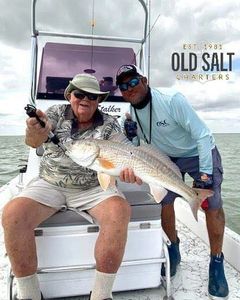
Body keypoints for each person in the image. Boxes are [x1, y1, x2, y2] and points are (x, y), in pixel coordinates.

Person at [2, 73, 132, 300]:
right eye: (79, 94)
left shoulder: (110, 125)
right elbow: (34, 142)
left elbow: (122, 156)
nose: (85, 99)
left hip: (93, 187)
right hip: (50, 183)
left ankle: (101, 295)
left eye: (92, 96)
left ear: (99, 101)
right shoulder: (54, 113)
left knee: (119, 211)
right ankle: (29, 295)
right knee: (12, 213)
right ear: (70, 95)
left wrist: (128, 171)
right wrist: (34, 131)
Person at [115, 64, 229, 299]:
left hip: (198, 153)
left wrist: (205, 175)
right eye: (124, 86)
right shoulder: (131, 110)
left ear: (144, 80)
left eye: (134, 82)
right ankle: (174, 250)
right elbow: (141, 146)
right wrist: (132, 137)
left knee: (212, 205)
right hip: (166, 159)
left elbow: (203, 135)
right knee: (164, 202)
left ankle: (216, 262)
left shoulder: (172, 99)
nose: (130, 89)